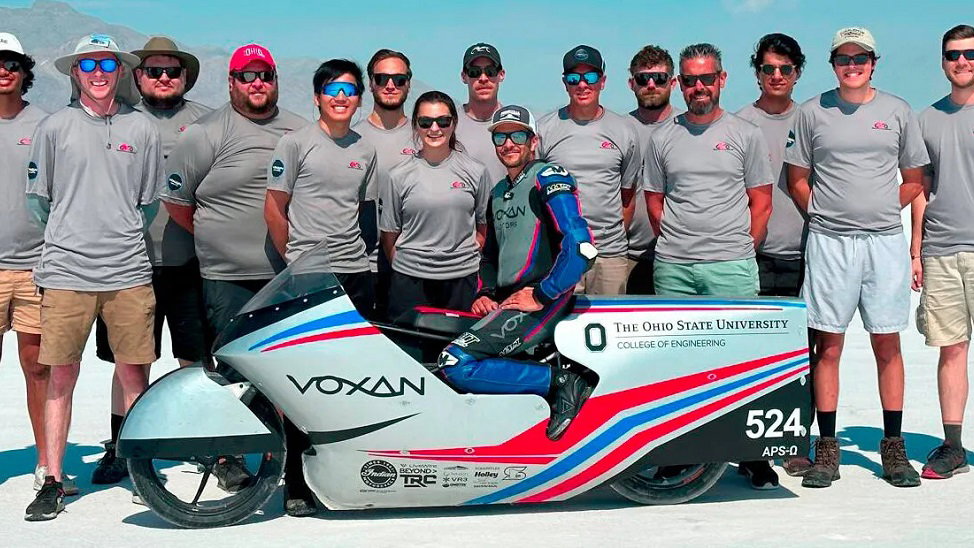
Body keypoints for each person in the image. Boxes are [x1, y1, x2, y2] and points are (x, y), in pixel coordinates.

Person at [161, 43, 315, 516]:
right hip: (226, 276)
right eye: (246, 77)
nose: (257, 84)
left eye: (264, 75)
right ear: (230, 83)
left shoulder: (298, 130)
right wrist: (219, 237)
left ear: (275, 79)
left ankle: (292, 474)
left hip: (284, 275)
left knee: (290, 378)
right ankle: (226, 457)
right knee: (230, 376)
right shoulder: (203, 134)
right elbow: (178, 204)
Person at [24, 33, 162, 521]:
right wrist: (74, 235)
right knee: (62, 373)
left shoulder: (141, 129)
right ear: (75, 72)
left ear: (120, 70)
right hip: (66, 272)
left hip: (128, 271)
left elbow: (147, 204)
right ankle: (54, 480)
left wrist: (115, 234)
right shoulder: (54, 127)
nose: (99, 71)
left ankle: (142, 476)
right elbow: (39, 202)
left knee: (133, 372)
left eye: (107, 62)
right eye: (88, 64)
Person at [785, 27, 930, 489]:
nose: (853, 65)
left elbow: (914, 176)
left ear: (873, 61)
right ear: (833, 64)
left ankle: (893, 449)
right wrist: (827, 216)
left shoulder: (897, 111)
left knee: (887, 343)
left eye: (861, 57)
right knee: (827, 345)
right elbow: (798, 179)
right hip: (830, 243)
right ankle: (826, 450)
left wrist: (886, 208)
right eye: (844, 58)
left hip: (884, 241)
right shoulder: (812, 112)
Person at [643, 43, 775, 489]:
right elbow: (654, 203)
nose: (698, 87)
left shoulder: (746, 134)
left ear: (721, 79)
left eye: (706, 78)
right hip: (675, 269)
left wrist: (740, 249)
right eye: (689, 79)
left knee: (742, 364)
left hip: (731, 266)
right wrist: (681, 244)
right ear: (679, 83)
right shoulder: (662, 138)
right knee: (679, 368)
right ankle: (681, 452)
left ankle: (750, 455)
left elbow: (761, 201)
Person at [89, 35, 213, 487]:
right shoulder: (115, 121)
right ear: (136, 77)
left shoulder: (206, 123)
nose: (163, 77)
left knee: (196, 360)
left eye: (172, 71)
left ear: (184, 78)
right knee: (129, 361)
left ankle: (207, 445)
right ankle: (122, 447)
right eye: (153, 70)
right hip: (125, 264)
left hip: (190, 263)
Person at [438, 104, 597, 440]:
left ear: (533, 140)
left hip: (542, 298)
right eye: (500, 136)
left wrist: (543, 294)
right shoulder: (498, 192)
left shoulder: (549, 177)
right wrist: (484, 293)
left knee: (456, 362)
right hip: (511, 300)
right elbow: (491, 254)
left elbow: (581, 246)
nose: (508, 143)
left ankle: (561, 382)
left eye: (518, 134)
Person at [0, 31, 79, 499]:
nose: (3, 69)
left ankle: (46, 463)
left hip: (35, 267)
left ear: (25, 72)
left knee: (38, 367)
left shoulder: (47, 126)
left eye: (11, 62)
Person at [735, 33, 813, 480]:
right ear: (757, 73)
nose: (777, 76)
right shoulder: (741, 123)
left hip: (809, 252)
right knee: (755, 359)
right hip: (754, 256)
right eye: (768, 69)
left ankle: (798, 441)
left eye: (785, 69)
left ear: (797, 72)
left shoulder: (814, 119)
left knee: (806, 354)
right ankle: (753, 450)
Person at [266, 58, 377, 315]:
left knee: (353, 350)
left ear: (359, 99)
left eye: (349, 91)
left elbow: (362, 210)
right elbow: (274, 209)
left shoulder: (366, 150)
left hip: (356, 270)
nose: (340, 97)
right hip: (310, 272)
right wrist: (297, 261)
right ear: (317, 98)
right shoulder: (294, 143)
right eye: (331, 90)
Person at [911, 23, 974, 480]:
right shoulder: (925, 119)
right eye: (954, 54)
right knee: (951, 350)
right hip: (942, 249)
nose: (963, 61)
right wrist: (916, 249)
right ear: (943, 61)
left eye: (971, 54)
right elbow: (920, 188)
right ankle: (953, 446)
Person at [538, 45, 641, 296]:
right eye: (574, 78)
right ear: (565, 83)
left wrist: (607, 237)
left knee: (613, 329)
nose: (582, 85)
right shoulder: (544, 129)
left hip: (610, 255)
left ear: (602, 81)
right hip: (562, 253)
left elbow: (627, 197)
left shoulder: (624, 130)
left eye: (590, 77)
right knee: (559, 332)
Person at [380, 91, 490, 320]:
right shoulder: (398, 176)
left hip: (462, 282)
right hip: (410, 283)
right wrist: (411, 266)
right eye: (425, 122)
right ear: (415, 125)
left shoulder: (476, 172)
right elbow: (390, 235)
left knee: (455, 352)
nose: (434, 128)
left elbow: (482, 228)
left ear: (454, 123)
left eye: (443, 121)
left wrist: (460, 260)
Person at [353, 49, 416, 319]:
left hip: (412, 269)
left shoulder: (426, 135)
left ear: (408, 84)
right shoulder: (352, 137)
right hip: (362, 269)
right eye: (382, 78)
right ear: (371, 83)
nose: (391, 85)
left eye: (399, 79)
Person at [625, 44, 678, 295]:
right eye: (643, 78)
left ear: (673, 82)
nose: (651, 84)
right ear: (631, 83)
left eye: (659, 78)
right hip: (627, 255)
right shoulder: (618, 129)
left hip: (680, 258)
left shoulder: (689, 126)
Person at [454, 42, 507, 182]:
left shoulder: (515, 123)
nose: (483, 78)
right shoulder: (447, 124)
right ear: (464, 77)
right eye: (474, 72)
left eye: (490, 71)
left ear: (501, 75)